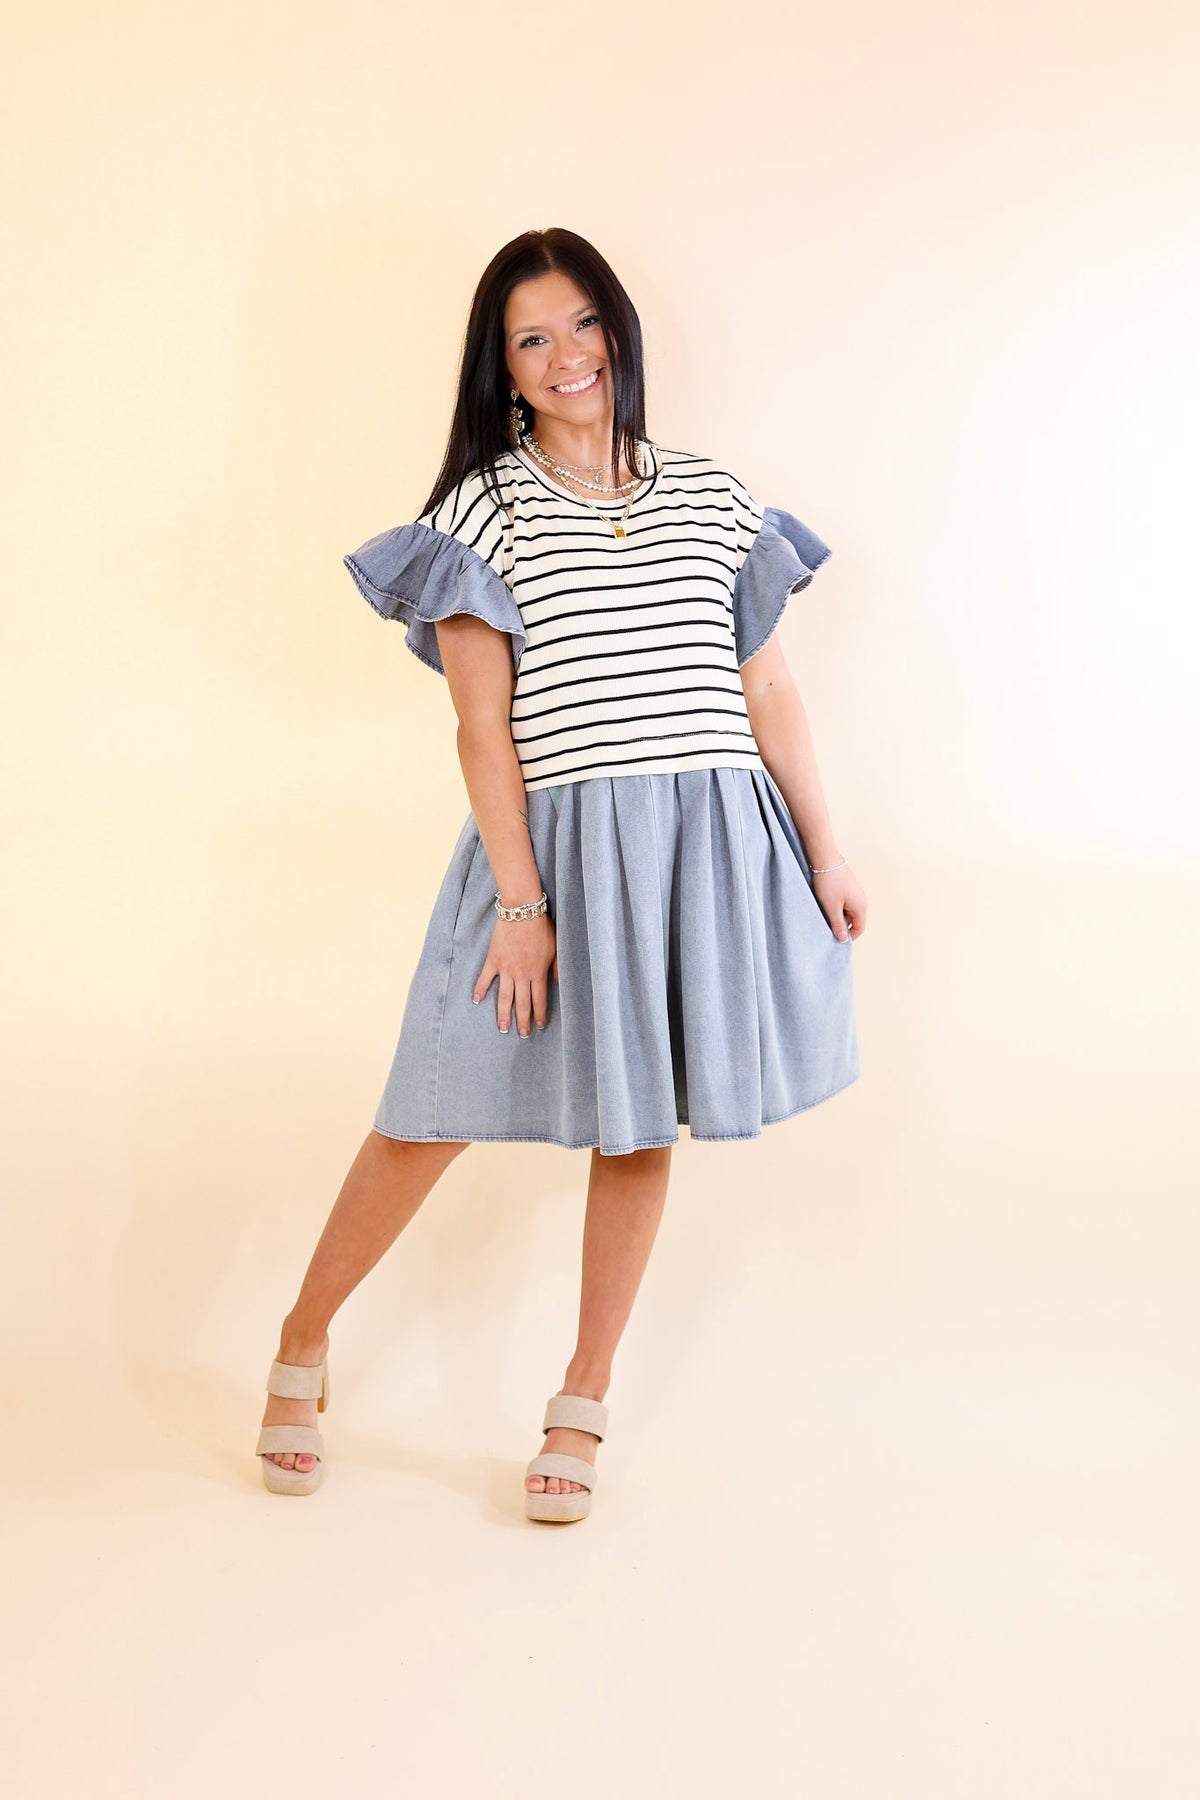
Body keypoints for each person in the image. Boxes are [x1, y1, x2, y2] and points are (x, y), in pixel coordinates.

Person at [255, 227, 867, 1522]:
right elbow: (481, 727)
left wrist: (825, 848)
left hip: (705, 848)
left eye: (583, 323)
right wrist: (523, 906)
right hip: (554, 853)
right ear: (505, 367)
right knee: (429, 1110)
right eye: (532, 338)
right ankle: (303, 1339)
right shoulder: (485, 509)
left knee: (641, 1124)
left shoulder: (714, 495)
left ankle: (582, 1399)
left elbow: (768, 690)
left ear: (618, 330)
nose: (566, 354)